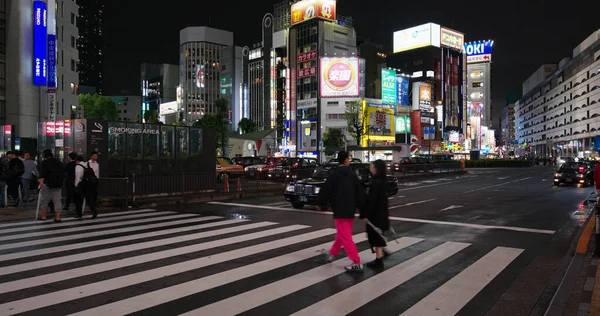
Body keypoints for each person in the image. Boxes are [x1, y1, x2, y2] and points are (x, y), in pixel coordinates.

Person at [316, 151, 365, 273]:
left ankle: (356, 262)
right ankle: (332, 253)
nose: (350, 160)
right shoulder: (353, 175)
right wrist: (363, 207)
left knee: (345, 236)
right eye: (349, 158)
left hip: (339, 209)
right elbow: (360, 192)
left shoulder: (335, 174)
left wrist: (319, 202)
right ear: (346, 160)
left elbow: (326, 189)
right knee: (342, 234)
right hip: (350, 210)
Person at [359, 159, 391, 268]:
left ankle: (379, 260)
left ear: (376, 168)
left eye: (372, 166)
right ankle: (381, 254)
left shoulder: (376, 183)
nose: (370, 168)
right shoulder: (383, 181)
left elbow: (371, 201)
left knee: (375, 236)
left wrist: (365, 214)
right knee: (378, 235)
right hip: (381, 213)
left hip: (375, 215)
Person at [37, 150, 65, 222]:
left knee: (45, 201)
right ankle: (58, 217)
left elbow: (43, 174)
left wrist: (41, 183)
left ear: (45, 157)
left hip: (47, 184)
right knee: (57, 201)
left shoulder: (44, 163)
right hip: (58, 185)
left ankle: (44, 216)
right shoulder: (60, 163)